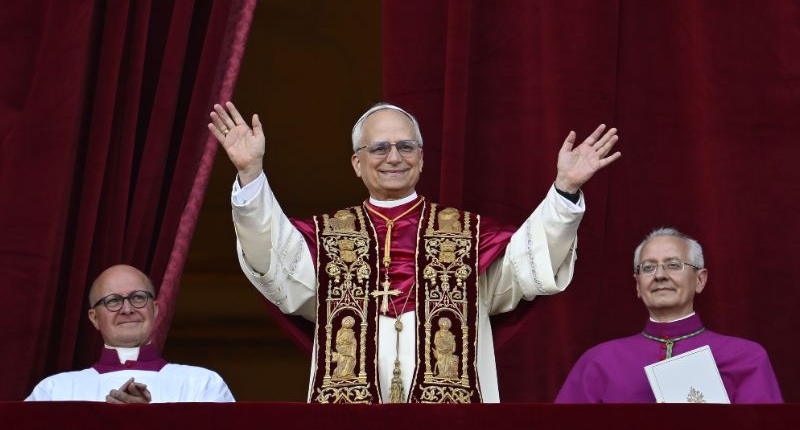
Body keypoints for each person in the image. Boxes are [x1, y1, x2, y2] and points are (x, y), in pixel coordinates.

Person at [209, 101, 620, 403]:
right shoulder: (327, 238)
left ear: (421, 160)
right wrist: (250, 173)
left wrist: (565, 190)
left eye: (406, 147)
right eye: (379, 148)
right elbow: (274, 263)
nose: (394, 157)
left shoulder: (467, 236)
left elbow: (528, 264)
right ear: (356, 162)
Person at [555, 228, 783, 404]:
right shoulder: (598, 362)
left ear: (700, 280)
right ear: (638, 285)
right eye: (648, 267)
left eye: (673, 265)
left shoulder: (746, 358)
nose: (660, 275)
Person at [26, 265, 235, 403]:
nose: (127, 309)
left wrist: (149, 422)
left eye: (138, 298)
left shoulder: (202, 385)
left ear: (155, 310)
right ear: (94, 318)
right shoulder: (54, 391)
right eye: (113, 301)